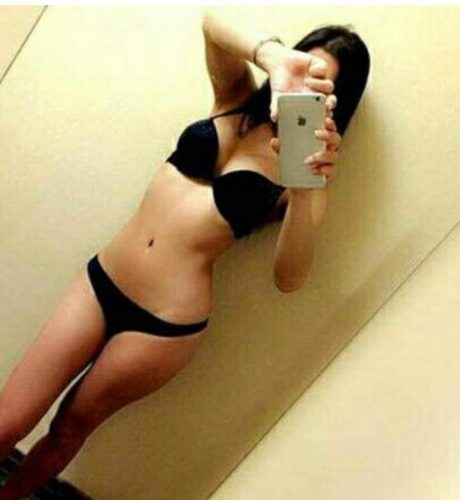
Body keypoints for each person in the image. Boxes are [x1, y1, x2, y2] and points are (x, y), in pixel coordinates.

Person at [0, 9, 370, 499]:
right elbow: (213, 23)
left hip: (163, 326)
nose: (306, 86)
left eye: (321, 86)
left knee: (70, 427)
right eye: (305, 68)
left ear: (337, 104)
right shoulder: (234, 98)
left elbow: (289, 277)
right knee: (8, 421)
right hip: (102, 280)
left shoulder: (308, 179)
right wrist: (274, 56)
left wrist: (305, 186)